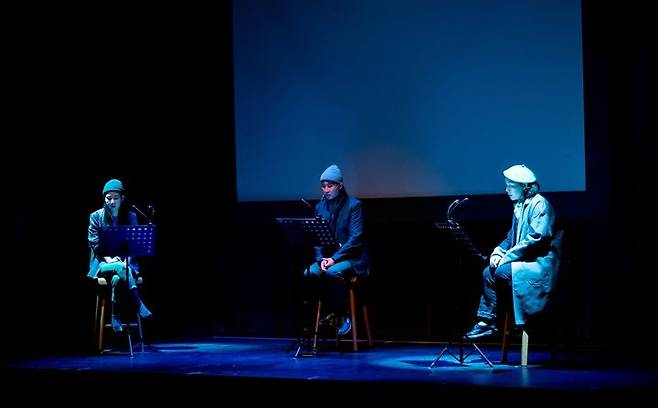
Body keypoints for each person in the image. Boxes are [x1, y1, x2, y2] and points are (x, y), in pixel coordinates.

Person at [465, 164, 560, 339]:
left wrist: (506, 258)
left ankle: (519, 318)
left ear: (524, 187)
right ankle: (487, 321)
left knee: (501, 272)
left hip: (539, 264)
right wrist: (498, 252)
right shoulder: (519, 206)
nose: (506, 189)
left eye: (511, 186)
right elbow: (511, 237)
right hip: (524, 261)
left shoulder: (539, 204)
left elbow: (536, 238)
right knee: (488, 272)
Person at [303, 164, 369, 336]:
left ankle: (342, 314)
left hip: (351, 257)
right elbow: (317, 238)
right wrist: (320, 259)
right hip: (328, 257)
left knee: (333, 272)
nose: (326, 189)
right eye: (323, 186)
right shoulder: (320, 207)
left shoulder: (354, 206)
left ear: (339, 186)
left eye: (330, 185)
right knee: (309, 273)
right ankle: (325, 312)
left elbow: (355, 239)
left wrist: (333, 259)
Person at [87, 178, 152, 332]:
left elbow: (135, 246)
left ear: (122, 198)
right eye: (108, 198)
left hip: (124, 265)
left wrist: (123, 260)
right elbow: (95, 245)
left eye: (116, 198)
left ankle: (114, 315)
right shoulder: (96, 217)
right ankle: (139, 304)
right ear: (104, 198)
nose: (112, 202)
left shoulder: (130, 217)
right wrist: (111, 259)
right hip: (103, 264)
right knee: (120, 268)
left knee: (119, 276)